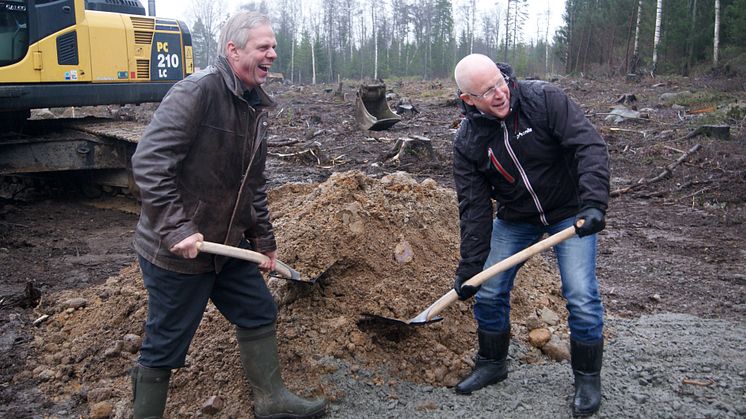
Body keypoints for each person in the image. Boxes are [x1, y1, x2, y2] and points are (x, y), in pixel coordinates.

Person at [129, 11, 327, 419]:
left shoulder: (254, 105)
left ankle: (272, 401)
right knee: (165, 345)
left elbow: (251, 184)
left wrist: (263, 242)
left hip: (225, 247)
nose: (273, 54)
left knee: (257, 310)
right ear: (233, 50)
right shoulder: (197, 92)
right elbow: (149, 162)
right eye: (263, 47)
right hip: (178, 252)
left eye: (274, 47)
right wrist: (177, 228)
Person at [451, 53, 609, 416]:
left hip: (570, 213)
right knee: (488, 289)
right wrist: (471, 266)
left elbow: (589, 146)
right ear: (468, 100)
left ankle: (587, 377)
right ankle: (492, 364)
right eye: (486, 92)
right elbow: (473, 208)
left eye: (498, 83)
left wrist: (593, 203)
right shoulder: (468, 141)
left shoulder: (543, 99)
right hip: (516, 217)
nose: (499, 93)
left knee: (581, 295)